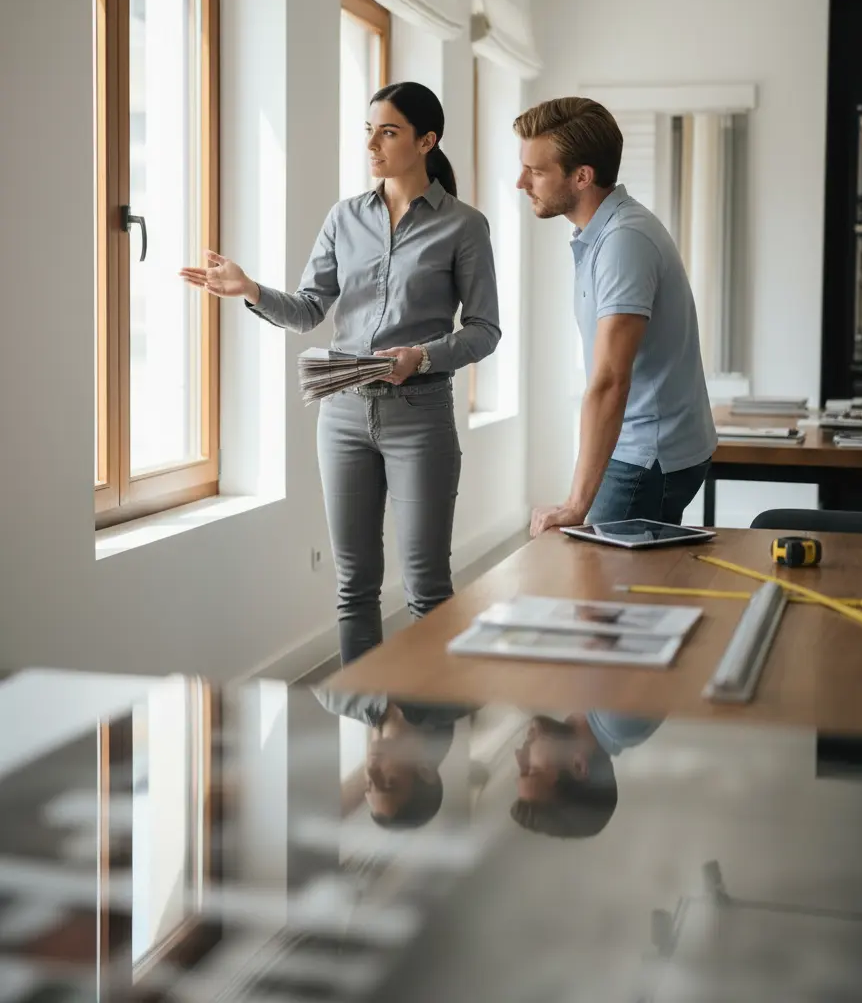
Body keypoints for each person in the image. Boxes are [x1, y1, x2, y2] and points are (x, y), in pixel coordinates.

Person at [181, 82, 500, 664]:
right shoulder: (344, 217)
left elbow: (484, 330)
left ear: (427, 141)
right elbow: (308, 310)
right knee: (354, 589)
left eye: (389, 131)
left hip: (420, 417)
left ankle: (430, 735)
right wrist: (249, 289)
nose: (372, 144)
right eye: (368, 130)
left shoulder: (463, 226)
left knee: (428, 590)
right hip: (343, 415)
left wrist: (423, 356)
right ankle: (369, 729)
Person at [514, 98, 717, 538]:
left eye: (536, 171)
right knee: (621, 593)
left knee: (601, 597)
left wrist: (575, 505)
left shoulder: (623, 241)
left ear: (581, 176)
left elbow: (609, 380)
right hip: (643, 446)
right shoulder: (605, 233)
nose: (521, 182)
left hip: (646, 455)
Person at [313, 687, 474, 828]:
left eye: (369, 784)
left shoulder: (334, 698)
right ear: (424, 769)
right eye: (389, 783)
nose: (371, 770)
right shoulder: (459, 695)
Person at [511, 710, 662, 838]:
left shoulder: (602, 717)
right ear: (578, 766)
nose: (518, 756)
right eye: (532, 770)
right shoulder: (616, 720)